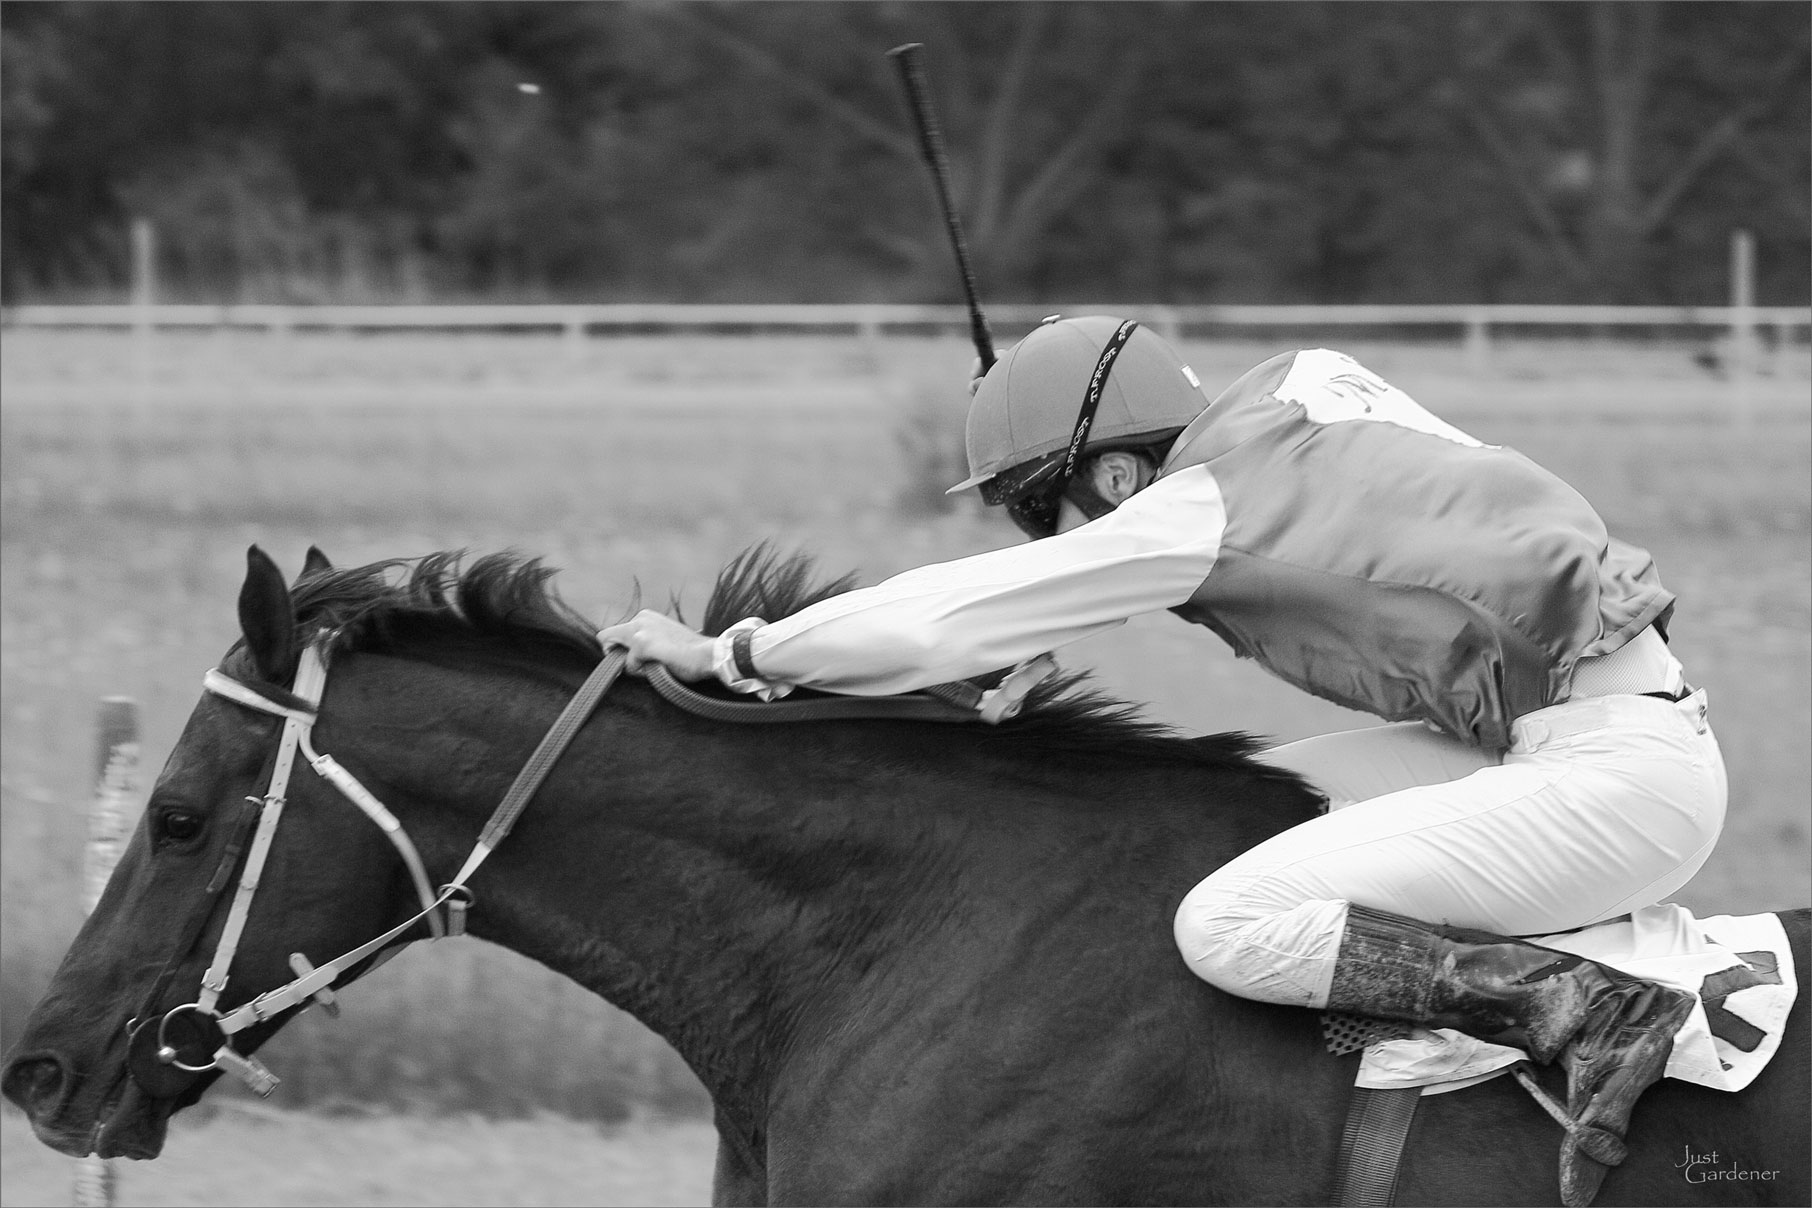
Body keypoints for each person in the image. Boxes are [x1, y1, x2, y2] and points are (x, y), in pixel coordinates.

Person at [601, 315, 1725, 1202]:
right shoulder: (1305, 389)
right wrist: (1058, 593)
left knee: (1222, 921)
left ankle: (1584, 1011)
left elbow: (942, 613)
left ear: (1117, 477)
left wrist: (735, 651)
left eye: (1040, 508)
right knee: (1233, 808)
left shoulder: (1189, 508)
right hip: (1572, 731)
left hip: (1617, 779)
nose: (1043, 541)